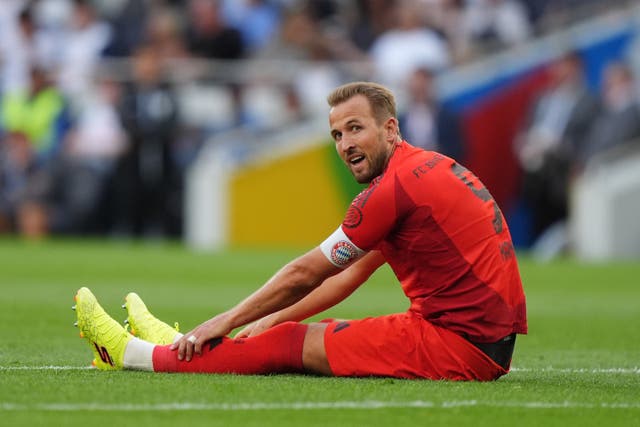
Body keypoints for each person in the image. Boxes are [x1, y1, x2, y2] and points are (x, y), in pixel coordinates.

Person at [73, 81, 527, 381]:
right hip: (477, 340)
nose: (345, 144)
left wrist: (228, 320)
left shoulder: (392, 191)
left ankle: (131, 354)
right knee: (296, 334)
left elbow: (306, 272)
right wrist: (266, 321)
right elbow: (349, 275)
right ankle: (178, 344)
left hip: (459, 346)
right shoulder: (421, 170)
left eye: (355, 129)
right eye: (336, 135)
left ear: (390, 129)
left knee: (292, 344)